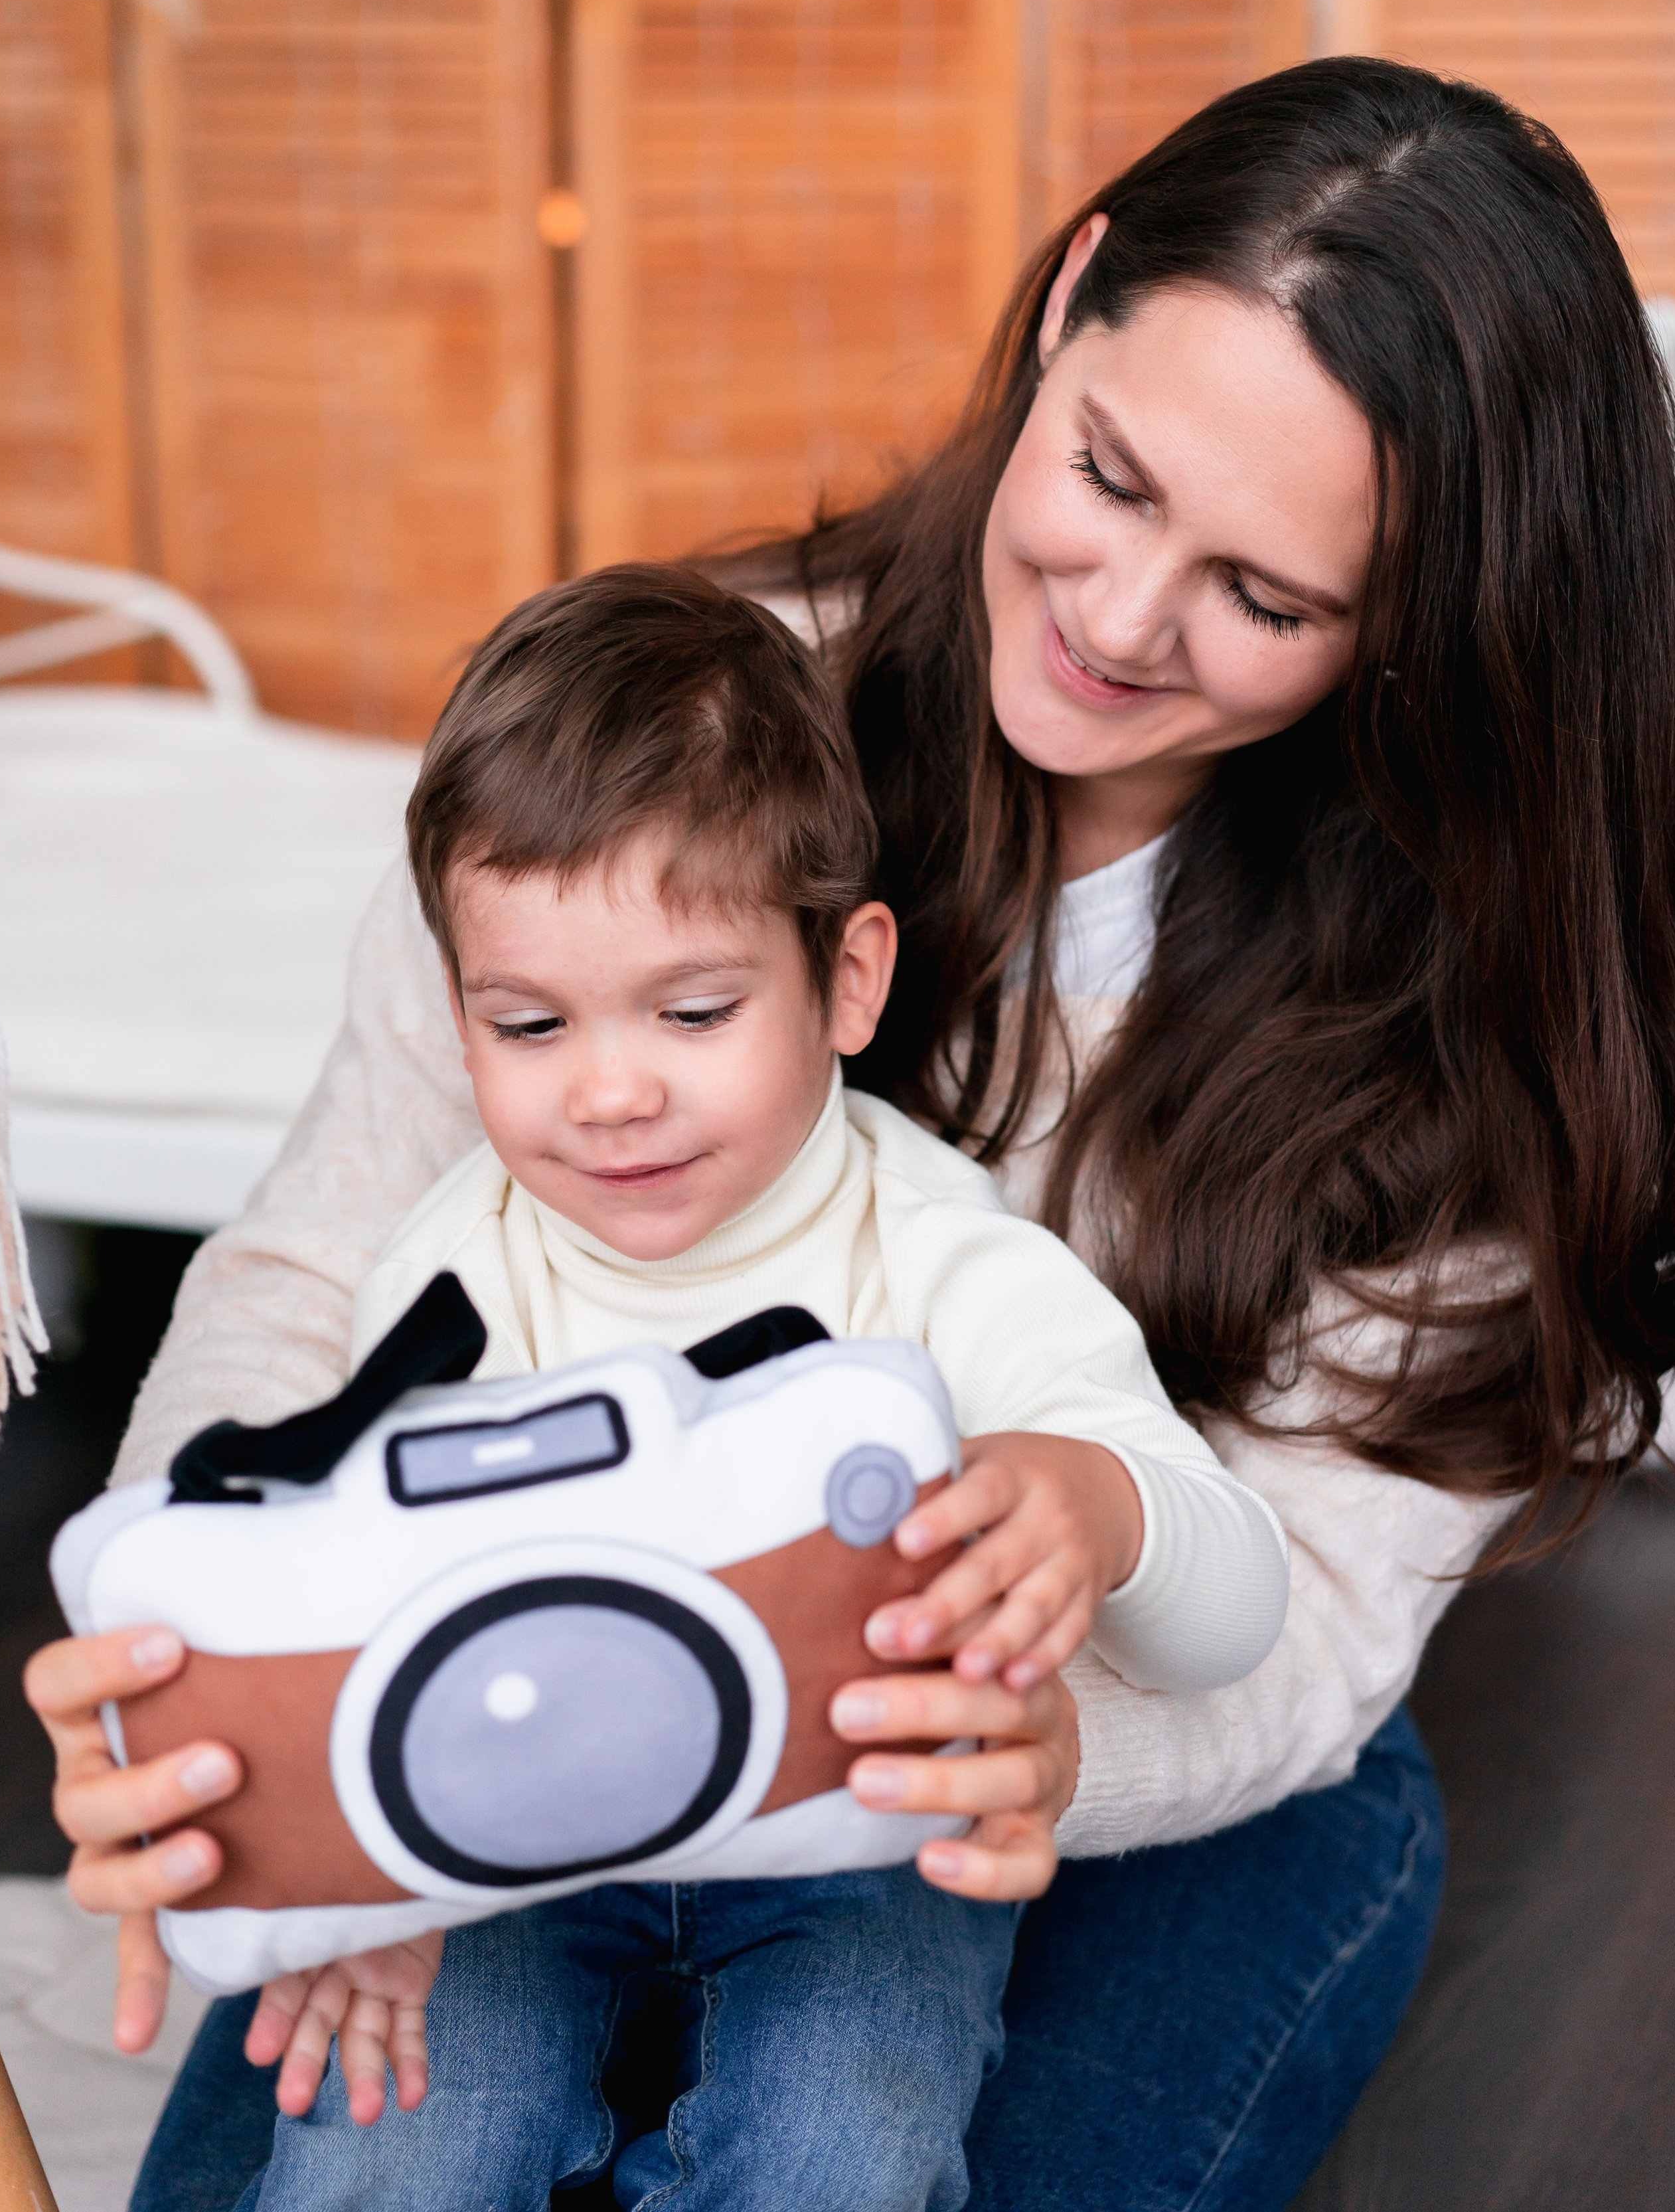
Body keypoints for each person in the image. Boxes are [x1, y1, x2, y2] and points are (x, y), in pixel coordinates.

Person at [28, 55, 1675, 2212]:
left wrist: (1059, 1727)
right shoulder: (667, 747)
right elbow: (322, 1274)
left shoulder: (1463, 1016)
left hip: (1123, 1765)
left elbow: (1304, 1613)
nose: (1113, 618)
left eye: (1262, 600)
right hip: (550, 1650)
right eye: (1107, 472)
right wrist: (195, 1670)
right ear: (1073, 294)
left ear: (1415, 632)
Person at [220, 565, 1287, 2205]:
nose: (612, 1088)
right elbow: (350, 1612)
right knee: (393, 2122)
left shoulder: (935, 1252)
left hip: (854, 1848)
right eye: (529, 1024)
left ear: (847, 983)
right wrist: (355, 1878)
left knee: (841, 2135)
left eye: (695, 1007)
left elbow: (1233, 1616)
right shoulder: (447, 1276)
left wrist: (1096, 1501)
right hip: (515, 1840)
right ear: (458, 1024)